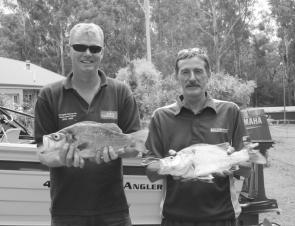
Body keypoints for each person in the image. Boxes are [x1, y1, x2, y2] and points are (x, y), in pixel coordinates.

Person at [34, 23, 140, 226]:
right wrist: (62, 159)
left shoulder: (121, 92)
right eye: (80, 47)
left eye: (95, 48)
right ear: (69, 49)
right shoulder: (49, 95)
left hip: (114, 210)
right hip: (66, 211)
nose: (88, 53)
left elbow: (135, 147)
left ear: (102, 52)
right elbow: (41, 152)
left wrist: (119, 151)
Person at [145, 47, 251, 226]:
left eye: (198, 71)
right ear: (176, 76)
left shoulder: (230, 111)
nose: (192, 78)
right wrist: (173, 166)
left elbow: (247, 168)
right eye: (185, 72)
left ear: (209, 74)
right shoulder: (161, 117)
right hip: (174, 218)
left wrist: (231, 164)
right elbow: (149, 170)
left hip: (223, 217)